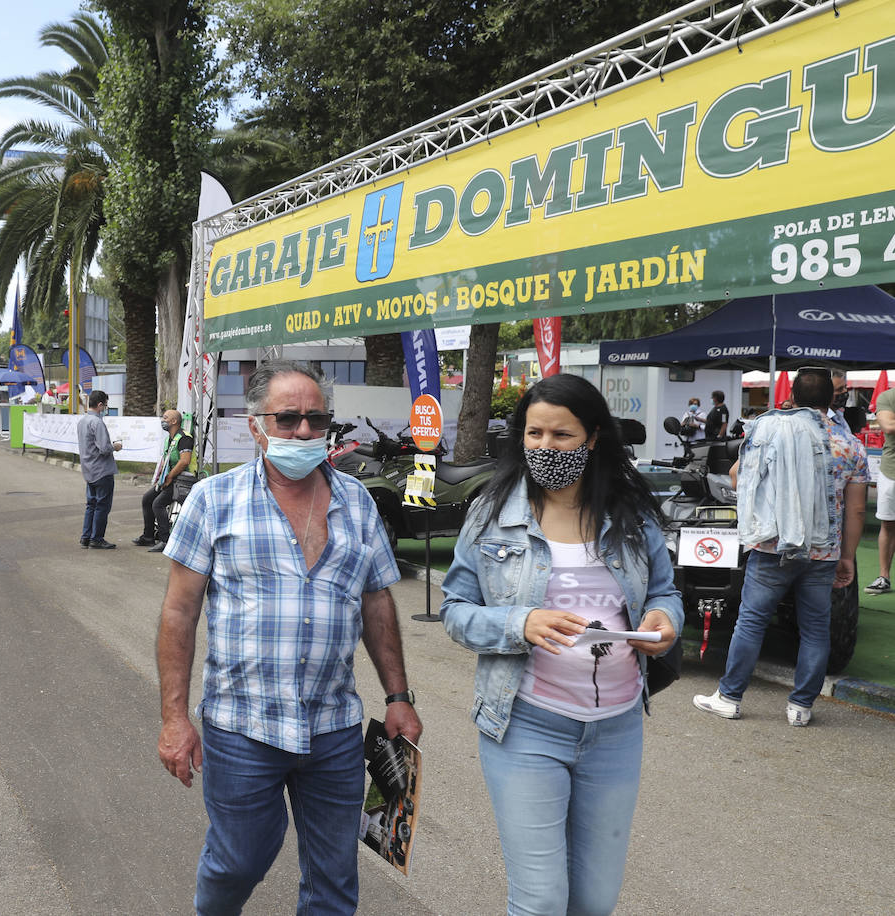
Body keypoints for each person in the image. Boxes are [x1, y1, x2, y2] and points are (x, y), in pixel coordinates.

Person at [156, 361, 421, 914]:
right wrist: (175, 719)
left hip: (333, 729)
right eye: (288, 419)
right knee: (239, 861)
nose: (303, 432)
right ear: (256, 425)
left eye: (316, 418)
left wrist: (398, 697)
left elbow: (376, 601)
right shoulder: (213, 500)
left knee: (334, 880)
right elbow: (179, 614)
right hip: (243, 727)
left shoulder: (358, 502)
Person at [441, 373, 682, 916]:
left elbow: (665, 591)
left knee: (595, 901)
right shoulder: (491, 514)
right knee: (542, 899)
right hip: (526, 725)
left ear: (593, 438)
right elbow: (455, 612)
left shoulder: (630, 512)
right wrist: (518, 622)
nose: (545, 447)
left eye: (562, 435)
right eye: (534, 434)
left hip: (617, 729)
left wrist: (664, 619)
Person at [695, 368, 868, 726]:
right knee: (816, 628)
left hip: (772, 546)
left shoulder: (770, 430)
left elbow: (737, 475)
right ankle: (801, 707)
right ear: (832, 398)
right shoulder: (850, 444)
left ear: (792, 394)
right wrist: (848, 556)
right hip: (824, 552)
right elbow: (856, 508)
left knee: (752, 621)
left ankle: (729, 697)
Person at [133, 409, 194, 553]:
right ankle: (148, 536)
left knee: (157, 504)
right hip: (170, 479)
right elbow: (166, 461)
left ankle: (165, 540)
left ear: (174, 421)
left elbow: (185, 461)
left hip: (182, 480)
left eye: (165, 418)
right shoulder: (169, 439)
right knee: (147, 499)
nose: (162, 420)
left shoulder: (185, 437)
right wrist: (161, 478)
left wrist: (170, 476)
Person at [77, 390, 121, 549]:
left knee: (91, 505)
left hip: (89, 470)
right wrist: (115, 446)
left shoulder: (82, 421)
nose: (105, 409)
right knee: (102, 506)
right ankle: (97, 538)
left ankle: (86, 537)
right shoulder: (97, 422)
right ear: (100, 404)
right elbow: (104, 448)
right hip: (102, 470)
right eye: (105, 405)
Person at [868, 381, 895, 595]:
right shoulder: (887, 397)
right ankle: (884, 577)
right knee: (888, 524)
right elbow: (888, 426)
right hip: (891, 471)